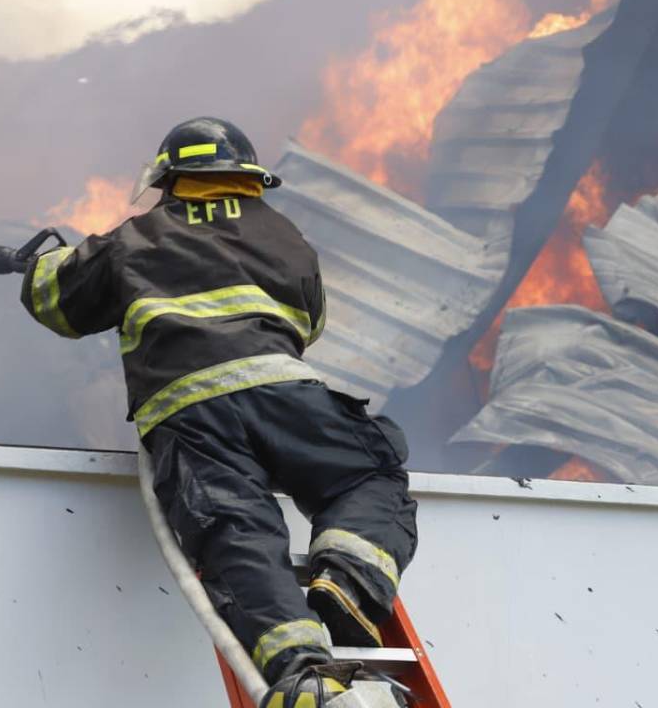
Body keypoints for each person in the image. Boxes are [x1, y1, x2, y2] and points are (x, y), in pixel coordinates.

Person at [21, 117, 417, 705]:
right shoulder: (286, 236)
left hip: (190, 414)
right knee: (369, 473)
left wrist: (42, 261)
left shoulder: (135, 238)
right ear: (247, 176)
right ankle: (349, 580)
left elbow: (57, 303)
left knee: (238, 535)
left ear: (171, 179)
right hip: (286, 394)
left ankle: (305, 677)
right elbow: (310, 325)